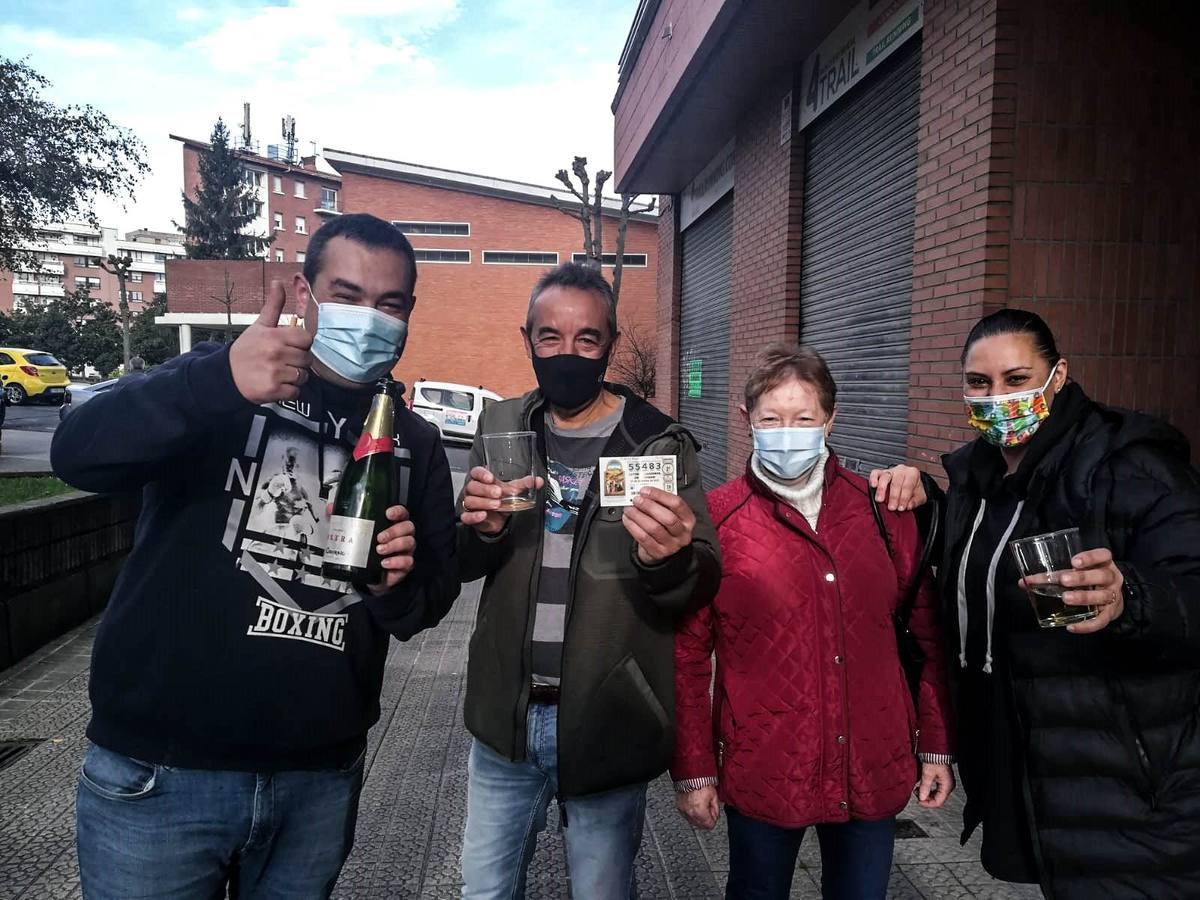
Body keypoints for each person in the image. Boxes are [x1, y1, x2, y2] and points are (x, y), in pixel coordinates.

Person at [52, 214, 460, 898]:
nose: (368, 318)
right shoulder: (224, 378)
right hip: (162, 774)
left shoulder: (413, 441)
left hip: (317, 782)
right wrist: (215, 385)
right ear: (304, 291)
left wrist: (395, 582)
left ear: (409, 313)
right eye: (348, 294)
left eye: (389, 304)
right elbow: (77, 454)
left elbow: (425, 604)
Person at [871, 309, 1200, 898]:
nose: (997, 398)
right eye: (979, 383)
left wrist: (1131, 598)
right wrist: (926, 503)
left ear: (1059, 375)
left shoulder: (1129, 463)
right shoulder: (975, 476)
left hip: (1127, 779)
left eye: (1017, 379)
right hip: (1027, 758)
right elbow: (982, 564)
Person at [457, 261, 721, 899]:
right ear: (527, 340)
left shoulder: (655, 442)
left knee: (602, 892)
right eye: (550, 338)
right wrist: (480, 531)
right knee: (483, 891)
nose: (566, 354)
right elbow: (465, 558)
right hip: (506, 716)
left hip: (607, 717)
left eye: (586, 340)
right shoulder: (501, 427)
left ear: (608, 347)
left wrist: (670, 557)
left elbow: (700, 579)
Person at [670, 344, 954, 900]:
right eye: (772, 418)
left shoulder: (882, 511)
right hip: (765, 763)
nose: (788, 432)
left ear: (831, 419)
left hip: (871, 760)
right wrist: (694, 770)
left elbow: (928, 637)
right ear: (746, 419)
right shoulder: (717, 519)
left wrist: (937, 746)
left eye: (804, 418)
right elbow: (685, 658)